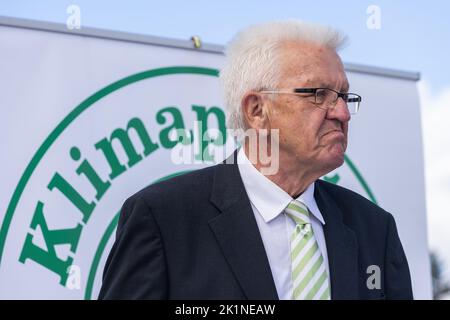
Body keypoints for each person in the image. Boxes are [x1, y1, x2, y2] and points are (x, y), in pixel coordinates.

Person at [98, 20, 413, 300]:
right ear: (256, 110)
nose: (342, 113)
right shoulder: (163, 219)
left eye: (344, 96)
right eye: (319, 94)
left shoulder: (374, 228)